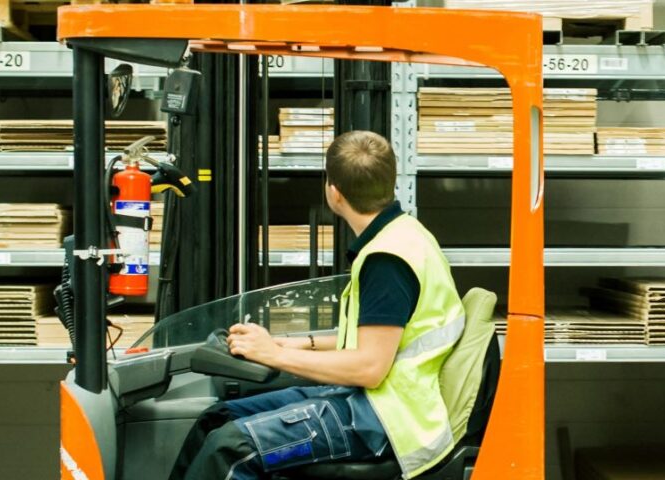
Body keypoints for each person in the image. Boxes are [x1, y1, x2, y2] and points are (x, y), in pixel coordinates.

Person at [169, 130, 465, 480]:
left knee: (231, 448)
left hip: (385, 419)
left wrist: (273, 355)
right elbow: (380, 335)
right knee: (216, 420)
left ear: (333, 192)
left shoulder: (388, 260)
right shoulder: (404, 233)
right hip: (373, 400)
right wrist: (298, 343)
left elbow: (370, 367)